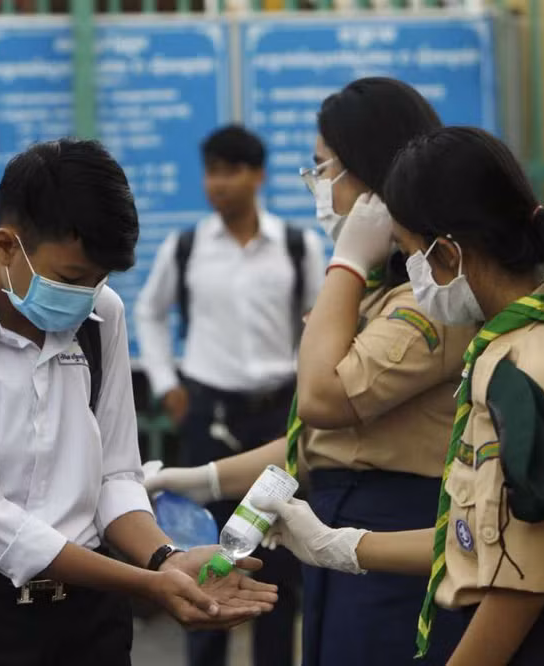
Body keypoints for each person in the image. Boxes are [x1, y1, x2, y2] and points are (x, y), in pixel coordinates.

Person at [263, 126, 544, 666]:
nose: (412, 274)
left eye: (408, 252)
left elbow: (519, 585)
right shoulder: (540, 342)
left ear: (447, 251)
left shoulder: (523, 374)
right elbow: (480, 541)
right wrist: (341, 545)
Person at [0, 139, 278, 666]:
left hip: (89, 616)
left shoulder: (102, 316)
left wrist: (168, 559)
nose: (86, 295)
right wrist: (145, 582)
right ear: (6, 245)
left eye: (99, 280)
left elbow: (116, 477)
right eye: (71, 278)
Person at [144, 78, 474, 666]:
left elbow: (320, 400)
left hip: (394, 528)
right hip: (336, 512)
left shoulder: (430, 300)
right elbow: (316, 440)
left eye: (323, 168)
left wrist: (346, 260)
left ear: (369, 179)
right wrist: (197, 478)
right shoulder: (381, 290)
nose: (318, 186)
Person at [135, 124, 323, 666]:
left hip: (276, 419)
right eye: (212, 171)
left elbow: (319, 324)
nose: (219, 183)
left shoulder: (295, 245)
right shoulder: (187, 246)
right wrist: (168, 382)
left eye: (232, 170)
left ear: (258, 175)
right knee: (207, 553)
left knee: (277, 558)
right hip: (207, 414)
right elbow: (149, 310)